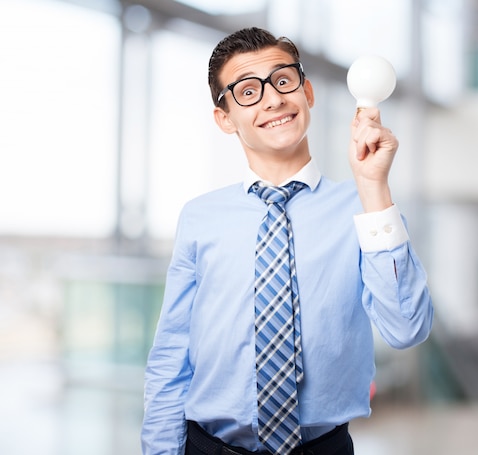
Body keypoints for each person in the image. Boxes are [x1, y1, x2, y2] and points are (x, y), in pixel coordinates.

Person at [141, 27, 433, 455]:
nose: (273, 99)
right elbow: (171, 353)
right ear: (224, 118)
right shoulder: (200, 218)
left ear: (307, 92)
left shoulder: (368, 208)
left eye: (283, 81)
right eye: (247, 91)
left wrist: (373, 187)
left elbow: (407, 329)